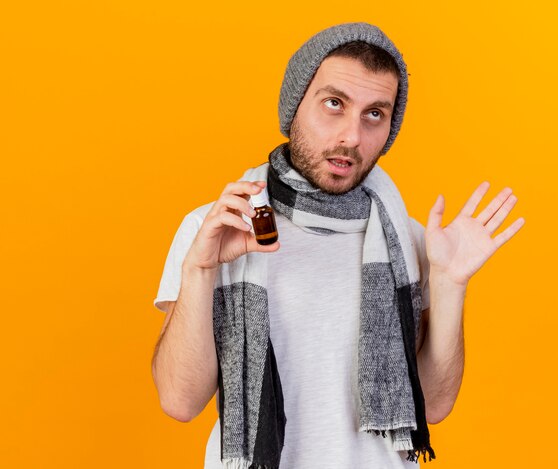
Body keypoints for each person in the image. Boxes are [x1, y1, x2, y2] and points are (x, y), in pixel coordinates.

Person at [151, 22, 525, 469]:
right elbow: (179, 400)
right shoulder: (219, 228)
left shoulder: (408, 242)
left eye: (374, 114)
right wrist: (199, 269)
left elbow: (432, 408)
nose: (351, 136)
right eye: (334, 104)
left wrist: (448, 283)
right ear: (293, 107)